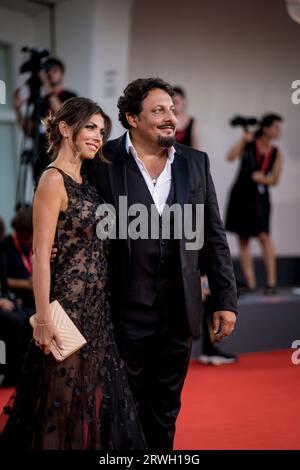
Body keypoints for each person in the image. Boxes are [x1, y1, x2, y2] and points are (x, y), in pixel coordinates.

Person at [84, 78, 238, 450]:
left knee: (165, 410)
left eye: (172, 109)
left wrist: (224, 299)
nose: (171, 117)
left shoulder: (196, 162)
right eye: (159, 110)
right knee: (120, 410)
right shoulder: (103, 162)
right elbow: (87, 236)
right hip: (122, 311)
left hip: (178, 312)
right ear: (131, 118)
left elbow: (213, 235)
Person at [1, 97, 145, 450]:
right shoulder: (53, 180)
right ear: (66, 129)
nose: (98, 136)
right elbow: (40, 253)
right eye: (91, 128)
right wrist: (45, 319)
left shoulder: (87, 181)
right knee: (58, 405)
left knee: (83, 404)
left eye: (102, 130)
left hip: (96, 309)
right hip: (65, 307)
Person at [225, 114, 283, 295]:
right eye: (276, 127)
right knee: (243, 239)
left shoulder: (276, 152)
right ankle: (250, 282)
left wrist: (263, 179)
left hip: (260, 198)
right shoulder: (249, 143)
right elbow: (230, 156)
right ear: (265, 128)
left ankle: (271, 282)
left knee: (264, 236)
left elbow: (274, 180)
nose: (278, 131)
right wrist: (243, 140)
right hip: (241, 194)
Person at [13, 57, 77, 181]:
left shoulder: (69, 96)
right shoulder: (40, 101)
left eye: (54, 71)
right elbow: (29, 131)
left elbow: (63, 115)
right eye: (48, 72)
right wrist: (18, 111)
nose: (49, 74)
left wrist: (46, 85)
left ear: (62, 74)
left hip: (61, 157)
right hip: (40, 158)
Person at [2, 206, 34, 310]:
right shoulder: (5, 246)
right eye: (27, 236)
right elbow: (2, 281)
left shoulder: (33, 246)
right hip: (13, 301)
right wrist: (25, 284)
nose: (30, 239)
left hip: (31, 301)